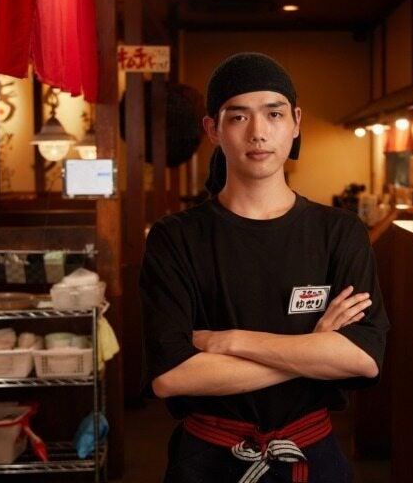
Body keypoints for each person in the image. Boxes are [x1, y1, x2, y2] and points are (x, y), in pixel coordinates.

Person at [139, 52, 389, 482]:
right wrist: (314, 348)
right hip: (208, 461)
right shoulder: (175, 237)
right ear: (213, 130)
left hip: (311, 456)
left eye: (274, 114)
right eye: (238, 117)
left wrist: (230, 341)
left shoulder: (340, 232)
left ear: (295, 122)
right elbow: (172, 376)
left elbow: (363, 358)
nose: (258, 132)